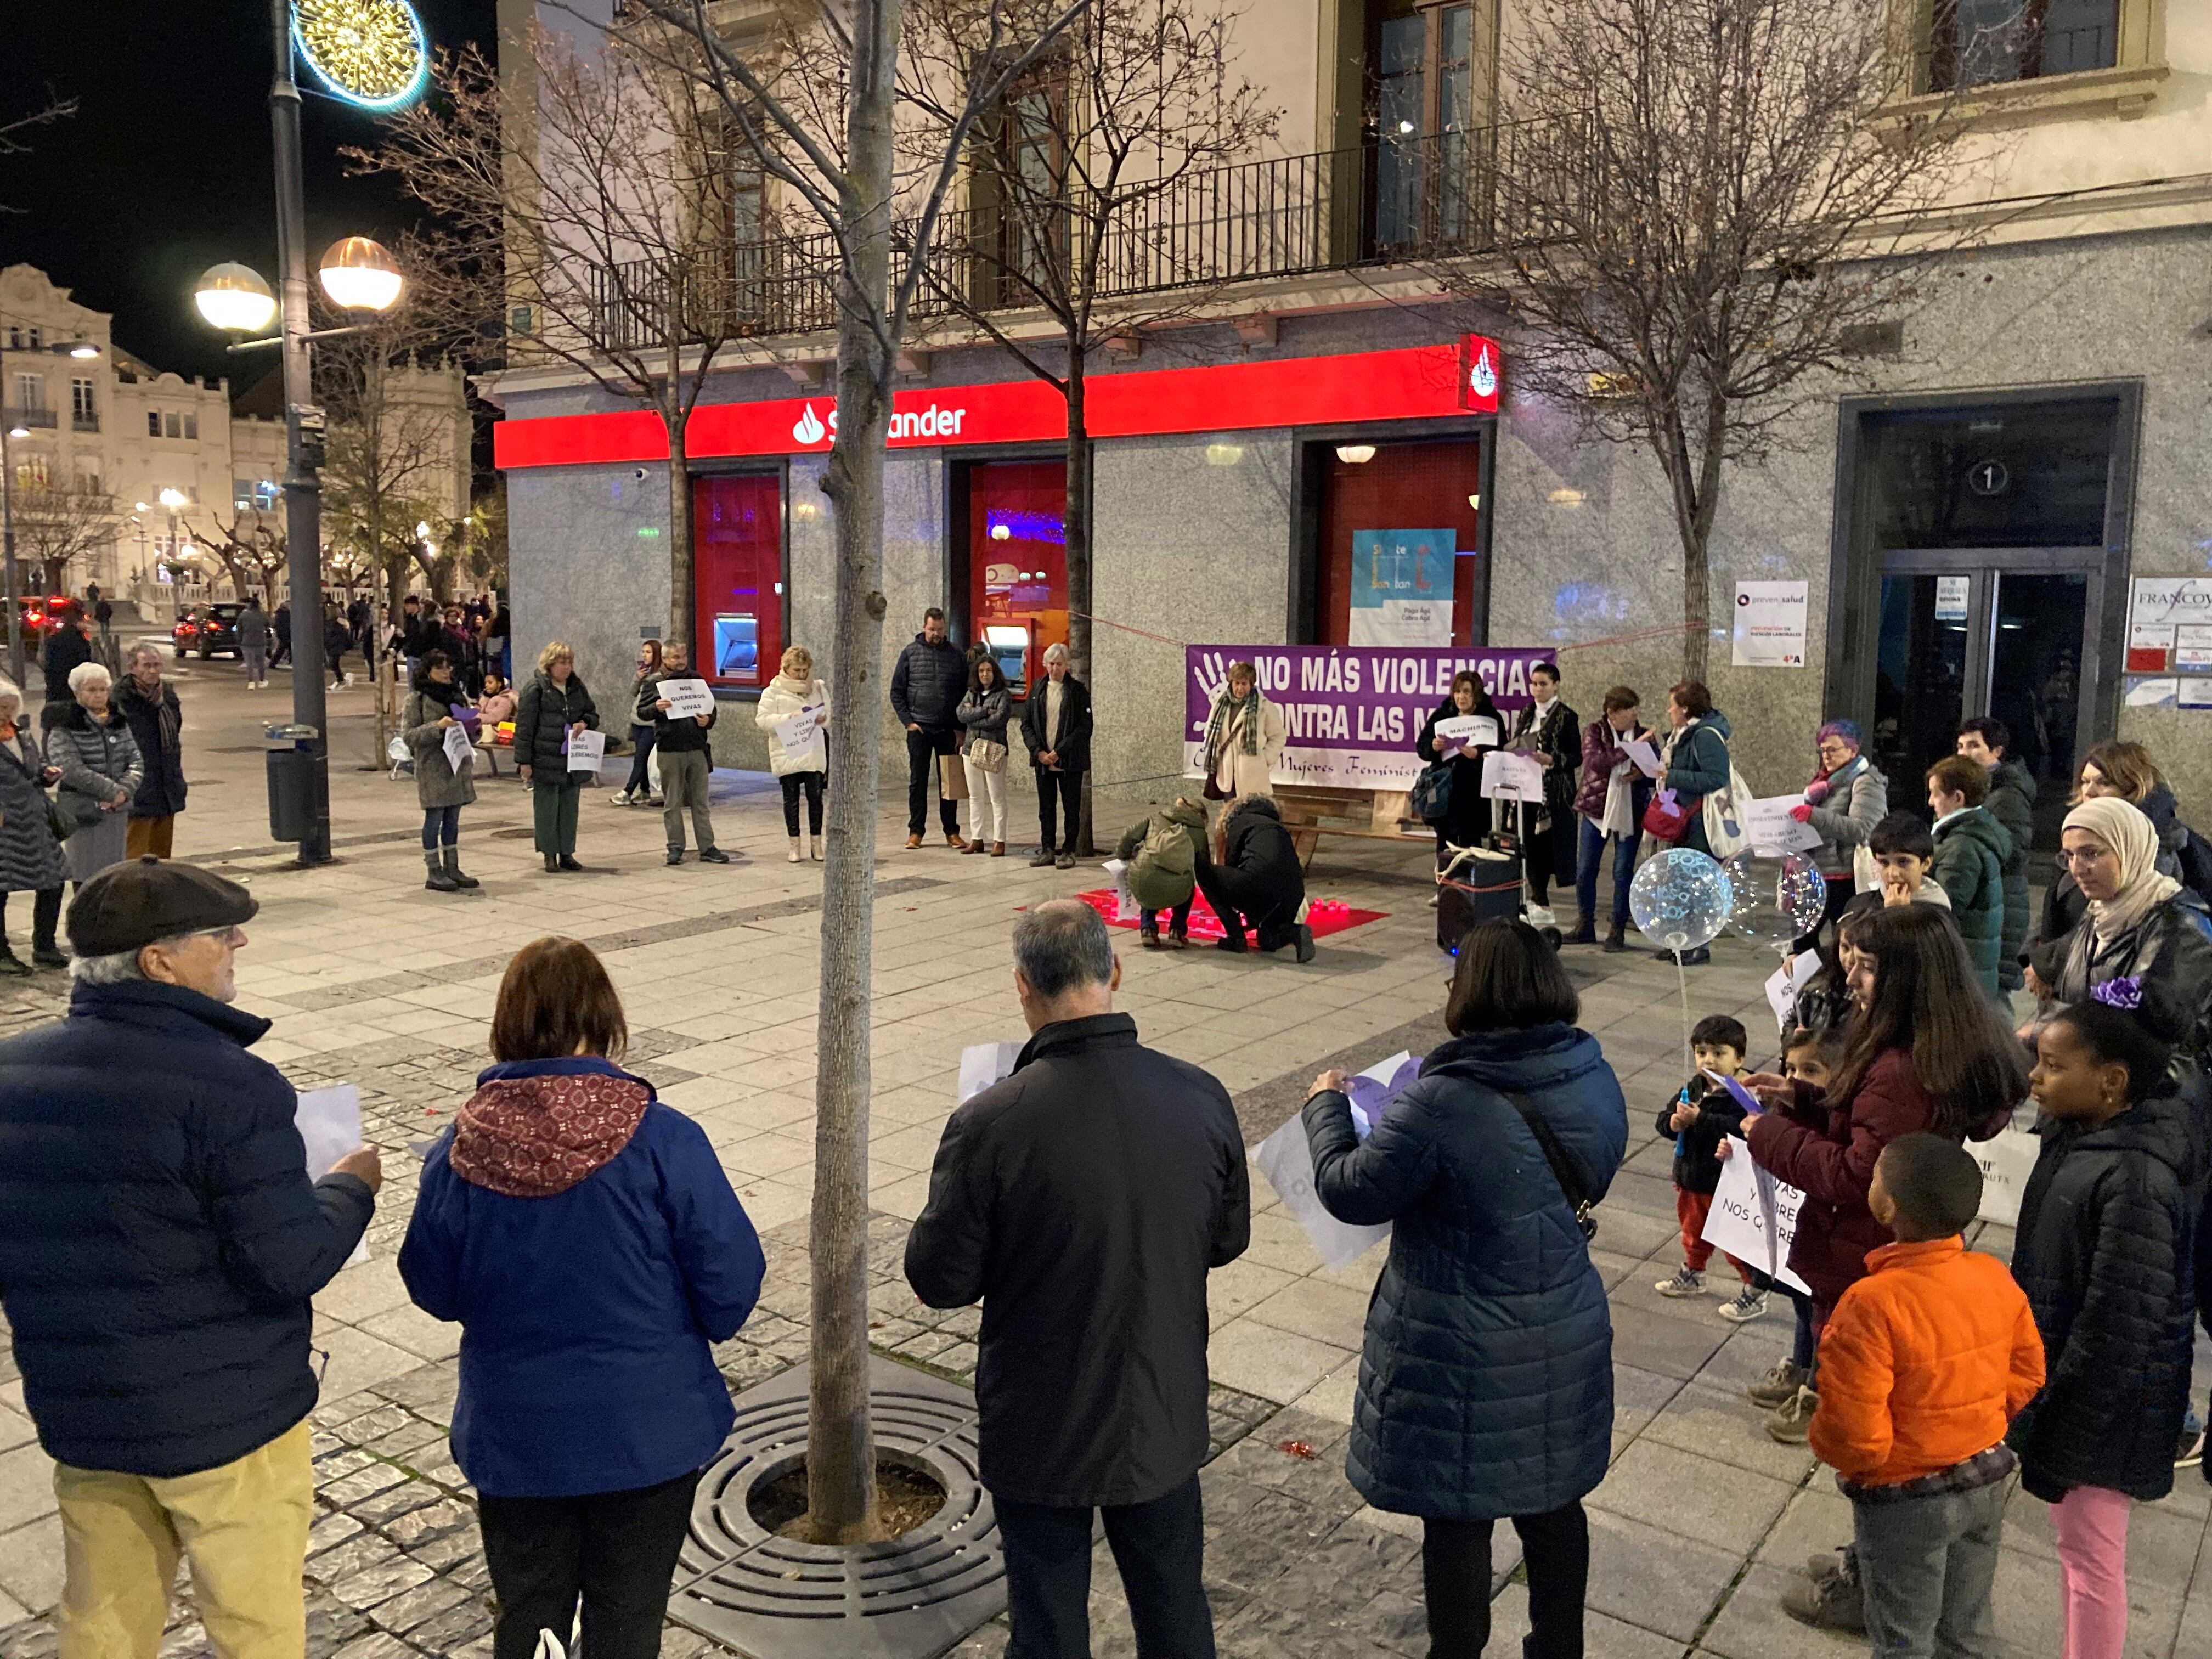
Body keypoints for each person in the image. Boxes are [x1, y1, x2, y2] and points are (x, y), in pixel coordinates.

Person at [0, 860, 380, 1658]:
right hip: (228, 1425)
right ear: (158, 961)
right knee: (255, 1623)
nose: (237, 941)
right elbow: (288, 1263)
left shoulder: (14, 1075)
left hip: (89, 1414)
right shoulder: (233, 1087)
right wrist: (350, 1189)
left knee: (103, 1619)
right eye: (218, 933)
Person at [400, 936, 761, 1659]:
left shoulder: (460, 1150)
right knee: (628, 1623)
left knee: (531, 1616)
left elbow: (432, 1286)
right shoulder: (664, 1139)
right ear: (604, 1020)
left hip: (518, 1433)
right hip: (646, 1432)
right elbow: (730, 1282)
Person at [905, 901, 1249, 1659]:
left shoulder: (992, 1121)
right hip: (1160, 1403)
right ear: (1115, 971)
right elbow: (1227, 1240)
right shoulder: (1200, 1095)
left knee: (1049, 1624)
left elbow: (941, 1279)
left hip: (1041, 1420)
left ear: (1023, 988)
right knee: (1174, 1611)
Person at [1301, 918, 1627, 1659]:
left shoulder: (1441, 1101)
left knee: (1458, 1515)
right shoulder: (1590, 1071)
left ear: (1471, 994)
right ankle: (1559, 1646)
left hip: (1459, 1343)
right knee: (1552, 1501)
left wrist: (1325, 1107)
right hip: (1563, 1318)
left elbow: (1350, 1191)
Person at [1740, 903, 2028, 1625]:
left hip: (1867, 1259)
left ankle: (1876, 1586)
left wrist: (1770, 1135)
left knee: (1876, 1441)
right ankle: (1871, 1561)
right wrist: (1804, 1099)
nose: (1850, 974)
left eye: (1865, 964)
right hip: (1889, 1253)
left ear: (1905, 976)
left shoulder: (1900, 1067)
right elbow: (1871, 1129)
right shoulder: (1923, 1042)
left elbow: (1857, 1174)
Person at [2011, 981, 2207, 1659]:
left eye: (2055, 1065)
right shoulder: (2082, 1138)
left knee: (2092, 1559)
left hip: (2105, 1407)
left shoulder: (2136, 1177)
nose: (2035, 1077)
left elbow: (2124, 1324)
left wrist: (2065, 1418)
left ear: (2113, 1082)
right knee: (2077, 1550)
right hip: (2072, 1390)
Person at [1808, 1134, 2044, 1659]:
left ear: (1887, 1204)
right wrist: (1980, 1421)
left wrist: (1866, 1467)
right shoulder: (1991, 1275)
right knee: (1967, 1625)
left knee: (1901, 1633)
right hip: (1983, 1475)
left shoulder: (1872, 1301)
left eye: (1875, 1178)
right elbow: (2028, 1367)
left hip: (1906, 1495)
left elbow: (1852, 1422)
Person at [2029, 742, 2212, 991]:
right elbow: (2075, 906)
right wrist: (2041, 956)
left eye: (2103, 782)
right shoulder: (2085, 831)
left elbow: (2149, 992)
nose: (2089, 792)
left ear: (2132, 787)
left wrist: (2051, 969)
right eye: (2085, 781)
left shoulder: (2152, 850)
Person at [2040, 796, 2212, 1060]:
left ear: (2128, 848)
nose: (2077, 869)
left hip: (2150, 1091)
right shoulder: (2099, 912)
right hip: (2087, 1077)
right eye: (2069, 856)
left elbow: (2146, 1024)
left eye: (2091, 854)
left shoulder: (2182, 925)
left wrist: (2043, 1032)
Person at [1744, 1026, 1847, 1427]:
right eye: (1791, 1068)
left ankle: (1818, 1392)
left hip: (1833, 1238)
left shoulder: (1839, 1118)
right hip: (1809, 1237)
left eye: (1811, 1070)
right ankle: (1803, 1369)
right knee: (1804, 1307)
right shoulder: (1793, 1108)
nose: (1797, 1079)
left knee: (1826, 1318)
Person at [1652, 1014, 1763, 1323]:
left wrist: (1701, 1120)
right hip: (1692, 1177)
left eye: (1719, 1053)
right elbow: (1665, 1119)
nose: (1709, 1061)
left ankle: (1754, 1288)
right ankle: (1694, 1272)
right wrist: (1673, 1124)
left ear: (1739, 1058)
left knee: (1732, 1242)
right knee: (1693, 1232)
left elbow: (1741, 1130)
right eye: (1702, 1052)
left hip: (1725, 1183)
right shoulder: (1696, 1086)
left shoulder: (1744, 1095)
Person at [1653, 680, 1733, 962]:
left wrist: (1671, 776)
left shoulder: (1705, 736)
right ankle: (1680, 941)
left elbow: (1716, 777)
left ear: (1685, 709)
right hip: (1683, 817)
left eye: (1672, 705)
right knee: (1678, 882)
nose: (1668, 711)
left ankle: (1700, 945)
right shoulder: (1681, 734)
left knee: (1697, 882)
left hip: (1700, 821)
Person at [46, 660, 143, 887]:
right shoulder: (65, 726)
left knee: (114, 876)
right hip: (83, 810)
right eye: (92, 690)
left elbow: (136, 760)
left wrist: (124, 792)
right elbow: (70, 768)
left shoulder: (118, 722)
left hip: (116, 810)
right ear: (78, 692)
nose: (99, 695)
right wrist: (111, 791)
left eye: (103, 690)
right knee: (85, 875)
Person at [1572, 685, 1652, 950]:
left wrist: (1641, 773)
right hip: (1597, 808)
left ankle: (1617, 928)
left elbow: (1656, 769)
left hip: (1631, 808)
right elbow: (1596, 763)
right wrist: (1629, 750)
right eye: (1628, 711)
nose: (1634, 715)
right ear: (1611, 712)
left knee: (1622, 871)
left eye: (1635, 710)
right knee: (1585, 869)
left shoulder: (1643, 735)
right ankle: (1585, 922)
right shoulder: (1595, 731)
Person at [1796, 719, 1888, 945]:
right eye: (1823, 750)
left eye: (1832, 750)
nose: (1826, 756)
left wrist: (1813, 816)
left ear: (1852, 750)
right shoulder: (1822, 784)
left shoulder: (1866, 782)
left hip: (1844, 875)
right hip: (1818, 870)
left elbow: (1863, 829)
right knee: (1801, 941)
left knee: (1845, 941)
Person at [1924, 756, 2009, 997]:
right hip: (1973, 964)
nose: (1930, 802)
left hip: (1960, 969)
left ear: (1958, 798)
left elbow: (1943, 908)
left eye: (1935, 794)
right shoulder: (1972, 833)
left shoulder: (1960, 846)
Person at [0, 675, 68, 970]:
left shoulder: (21, 734)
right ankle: (2, 954)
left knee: (53, 881)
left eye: (10, 708)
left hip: (35, 819)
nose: (6, 714)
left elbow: (32, 769)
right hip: (5, 824)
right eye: (2, 707)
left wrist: (45, 774)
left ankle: (45, 945)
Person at [1195, 793, 1313, 962]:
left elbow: (1232, 867)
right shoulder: (1278, 827)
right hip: (1293, 896)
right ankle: (1293, 931)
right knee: (1268, 940)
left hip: (1260, 888)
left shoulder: (1240, 822)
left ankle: (1236, 938)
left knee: (1206, 875)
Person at [515, 641, 600, 874]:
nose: (567, 667)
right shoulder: (536, 689)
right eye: (562, 662)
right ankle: (549, 853)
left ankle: (567, 852)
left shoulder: (577, 687)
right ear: (550, 664)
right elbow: (524, 727)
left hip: (573, 759)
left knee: (569, 808)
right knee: (547, 809)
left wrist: (585, 722)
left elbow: (592, 713)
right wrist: (525, 761)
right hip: (546, 757)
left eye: (569, 662)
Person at [403, 650, 482, 894]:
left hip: (457, 765)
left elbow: (474, 732)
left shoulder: (457, 696)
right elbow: (409, 736)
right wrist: (437, 727)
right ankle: (434, 870)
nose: (447, 672)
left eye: (448, 667)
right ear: (428, 671)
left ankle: (453, 867)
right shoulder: (416, 699)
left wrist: (472, 727)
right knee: (434, 817)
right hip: (433, 767)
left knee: (453, 819)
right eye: (440, 668)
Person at [891, 607, 969, 851]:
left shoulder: (956, 654)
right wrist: (908, 722)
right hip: (920, 730)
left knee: (950, 782)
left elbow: (966, 692)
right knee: (918, 782)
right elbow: (897, 692)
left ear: (945, 628)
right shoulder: (910, 653)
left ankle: (952, 832)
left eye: (939, 629)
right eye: (931, 629)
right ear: (924, 627)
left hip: (948, 730)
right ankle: (916, 832)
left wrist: (960, 728)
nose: (936, 633)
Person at [1507, 661, 1579, 913]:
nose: (1537, 689)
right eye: (1534, 684)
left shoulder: (1566, 716)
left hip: (1551, 791)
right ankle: (1535, 896)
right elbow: (1518, 740)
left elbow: (1576, 756)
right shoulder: (1527, 711)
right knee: (1525, 840)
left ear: (1556, 685)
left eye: (1543, 684)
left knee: (1544, 846)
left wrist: (1552, 759)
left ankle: (1541, 898)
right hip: (1525, 785)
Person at [648, 641, 728, 867]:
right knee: (672, 802)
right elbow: (641, 711)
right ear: (665, 659)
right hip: (670, 749)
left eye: (683, 656)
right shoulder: (656, 682)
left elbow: (710, 707)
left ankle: (707, 847)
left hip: (696, 747)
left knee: (700, 802)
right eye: (675, 657)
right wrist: (656, 707)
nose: (680, 661)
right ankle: (675, 847)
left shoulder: (696, 679)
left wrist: (708, 720)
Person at [1415, 668, 1502, 874]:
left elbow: (1500, 752)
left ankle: (1471, 889)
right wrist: (1433, 747)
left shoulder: (1490, 718)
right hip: (1446, 790)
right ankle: (1445, 888)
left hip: (1474, 792)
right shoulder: (1443, 714)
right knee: (1444, 842)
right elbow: (1422, 747)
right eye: (1458, 692)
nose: (1461, 697)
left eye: (1467, 692)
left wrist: (1479, 754)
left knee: (1471, 844)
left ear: (1476, 694)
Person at [1021, 642, 1093, 869]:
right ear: (1045, 665)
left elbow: (1085, 728)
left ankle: (1069, 851)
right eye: (1051, 664)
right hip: (1044, 761)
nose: (1055, 669)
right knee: (1046, 807)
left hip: (1069, 761)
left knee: (1071, 807)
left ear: (1067, 665)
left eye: (1060, 664)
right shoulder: (1036, 690)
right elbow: (1026, 725)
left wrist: (1060, 751)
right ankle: (1047, 849)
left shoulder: (1078, 692)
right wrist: (1039, 752)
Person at [756, 644, 830, 863]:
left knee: (816, 798)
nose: (801, 674)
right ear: (786, 668)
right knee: (791, 800)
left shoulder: (817, 688)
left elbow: (830, 714)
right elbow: (763, 720)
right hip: (787, 751)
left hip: (813, 750)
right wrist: (790, 718)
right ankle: (794, 845)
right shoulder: (773, 691)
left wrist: (823, 719)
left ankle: (817, 845)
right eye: (797, 670)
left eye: (805, 670)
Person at [119, 645, 187, 861]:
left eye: (157, 665)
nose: (153, 671)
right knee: (136, 857)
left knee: (163, 858)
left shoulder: (167, 696)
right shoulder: (121, 701)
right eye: (146, 666)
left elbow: (175, 733)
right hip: (138, 788)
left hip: (167, 786)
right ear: (132, 668)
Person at [1115, 798, 1207, 949]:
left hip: (1144, 880)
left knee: (1148, 875)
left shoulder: (1154, 819)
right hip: (1177, 888)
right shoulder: (1199, 833)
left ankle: (1147, 929)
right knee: (1187, 888)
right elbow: (1203, 868)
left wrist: (1124, 856)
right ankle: (1177, 931)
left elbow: (1128, 835)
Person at [1200, 657, 1284, 810]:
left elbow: (1278, 737)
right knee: (1231, 816)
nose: (1240, 688)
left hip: (1252, 774)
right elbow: (1209, 731)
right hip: (1227, 773)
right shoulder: (1219, 703)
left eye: (1244, 684)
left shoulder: (1265, 707)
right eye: (1237, 683)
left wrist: (1264, 760)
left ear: (1251, 684)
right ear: (1231, 683)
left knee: (1252, 815)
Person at [956, 655, 1013, 857]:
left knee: (997, 797)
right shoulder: (971, 693)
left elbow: (999, 720)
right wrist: (984, 712)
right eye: (981, 671)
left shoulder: (1003, 695)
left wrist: (974, 717)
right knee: (975, 796)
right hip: (971, 749)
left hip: (994, 749)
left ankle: (999, 840)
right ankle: (977, 838)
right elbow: (961, 715)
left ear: (995, 672)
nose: (985, 675)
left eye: (988, 670)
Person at [1847, 812, 1951, 915]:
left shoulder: (1938, 910)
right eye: (1884, 862)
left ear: (1926, 864)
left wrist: (1896, 914)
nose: (1893, 873)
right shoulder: (1859, 908)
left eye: (1903, 862)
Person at [611, 639, 665, 808]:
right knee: (642, 757)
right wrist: (638, 678)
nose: (645, 655)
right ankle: (644, 792)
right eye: (643, 652)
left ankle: (627, 792)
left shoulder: (659, 678)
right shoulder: (645, 675)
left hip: (650, 724)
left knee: (641, 758)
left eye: (648, 652)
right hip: (637, 721)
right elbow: (634, 693)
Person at [41, 607, 93, 710]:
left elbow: (48, 665)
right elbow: (85, 666)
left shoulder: (54, 640)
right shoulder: (80, 642)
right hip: (74, 691)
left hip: (55, 690)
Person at [238, 594, 270, 689]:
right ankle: (261, 681)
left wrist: (240, 640)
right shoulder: (262, 615)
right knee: (261, 663)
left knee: (250, 664)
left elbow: (239, 629)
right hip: (260, 641)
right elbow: (269, 624)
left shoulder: (244, 615)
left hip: (247, 641)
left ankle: (251, 682)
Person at [272, 599, 292, 669]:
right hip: (287, 634)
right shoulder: (286, 614)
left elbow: (275, 625)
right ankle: (273, 663)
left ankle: (273, 663)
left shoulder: (278, 614)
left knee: (283, 649)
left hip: (283, 634)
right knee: (286, 649)